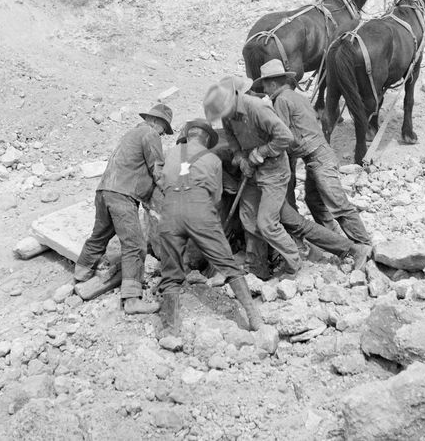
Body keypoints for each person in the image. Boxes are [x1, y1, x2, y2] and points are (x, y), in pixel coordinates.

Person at [253, 59, 372, 271]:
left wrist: (263, 152)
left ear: (272, 83)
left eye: (265, 85)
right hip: (318, 156)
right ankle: (340, 245)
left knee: (338, 204)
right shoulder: (297, 97)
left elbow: (283, 136)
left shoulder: (281, 101)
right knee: (315, 202)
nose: (264, 89)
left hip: (317, 157)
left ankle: (364, 247)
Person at [156, 118, 262, 335]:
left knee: (171, 272)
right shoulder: (212, 159)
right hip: (200, 209)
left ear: (187, 135)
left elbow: (162, 178)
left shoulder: (171, 153)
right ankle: (253, 317)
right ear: (206, 139)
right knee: (226, 262)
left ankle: (170, 330)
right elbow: (216, 197)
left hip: (169, 210)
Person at [74, 103, 173, 315]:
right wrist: (170, 192)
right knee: (135, 245)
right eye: (164, 128)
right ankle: (131, 300)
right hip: (122, 195)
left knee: (100, 234)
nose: (164, 133)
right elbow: (157, 169)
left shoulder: (131, 134)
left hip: (104, 190)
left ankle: (81, 272)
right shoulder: (150, 134)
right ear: (157, 122)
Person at [203, 75, 301, 279]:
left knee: (267, 223)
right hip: (252, 172)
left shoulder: (257, 108)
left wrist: (259, 154)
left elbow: (285, 137)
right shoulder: (227, 116)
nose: (224, 116)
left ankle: (294, 263)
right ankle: (257, 268)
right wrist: (241, 159)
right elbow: (232, 141)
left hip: (275, 171)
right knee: (248, 219)